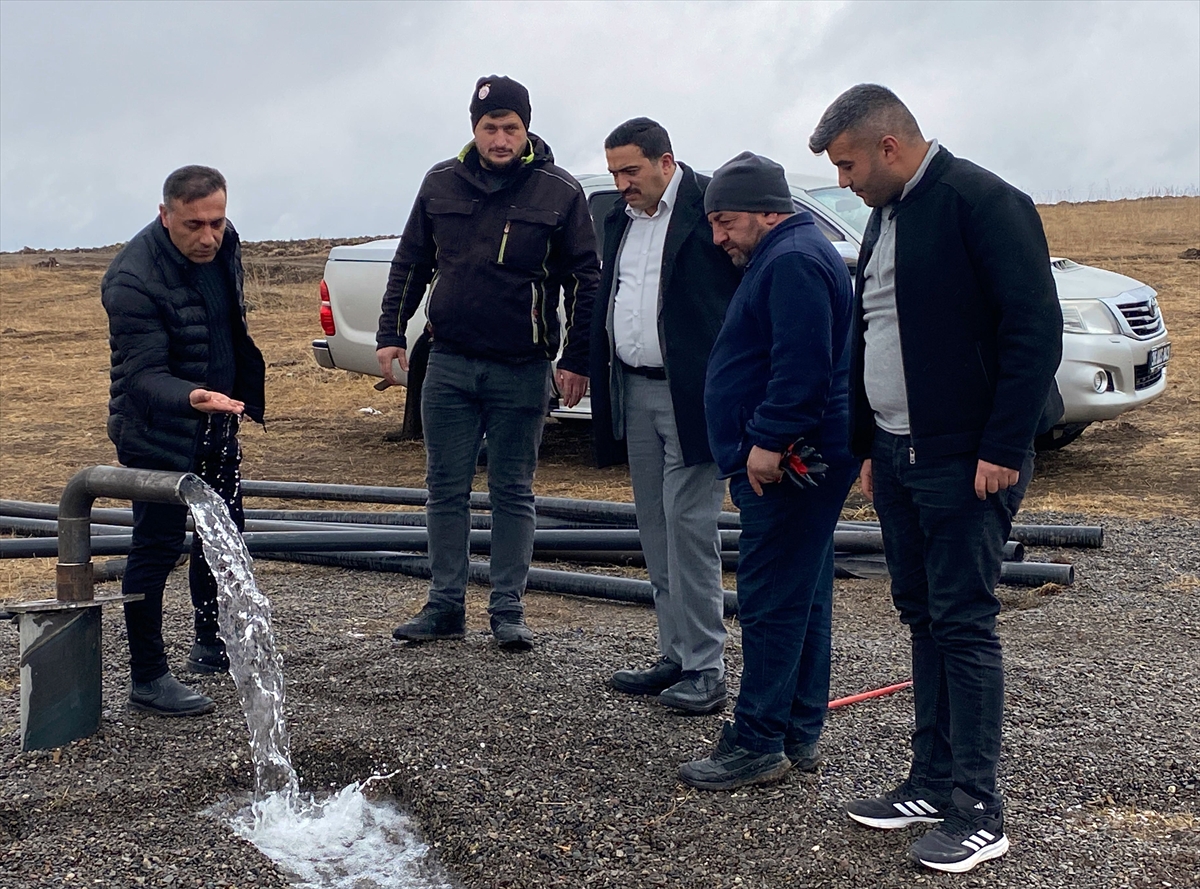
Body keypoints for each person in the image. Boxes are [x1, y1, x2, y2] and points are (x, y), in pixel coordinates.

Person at [808, 84, 1063, 873]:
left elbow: (1034, 330)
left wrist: (1003, 444)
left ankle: (979, 808)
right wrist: (865, 449)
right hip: (898, 454)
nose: (842, 182)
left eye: (847, 165)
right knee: (921, 614)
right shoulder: (885, 216)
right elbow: (873, 334)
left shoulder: (985, 202)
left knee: (963, 620)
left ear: (889, 146)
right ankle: (930, 779)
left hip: (965, 459)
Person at [377, 76, 599, 651]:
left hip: (521, 368)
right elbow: (410, 262)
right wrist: (389, 334)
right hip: (447, 363)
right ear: (472, 129)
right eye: (489, 127)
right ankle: (445, 604)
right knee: (443, 488)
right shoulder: (439, 183)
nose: (499, 138)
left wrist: (575, 357)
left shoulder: (559, 191)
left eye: (510, 127)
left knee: (512, 491)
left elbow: (586, 280)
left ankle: (507, 610)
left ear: (526, 129)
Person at [678, 152, 856, 790]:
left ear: (766, 211)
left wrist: (767, 442)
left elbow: (801, 367)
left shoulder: (792, 262)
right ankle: (797, 731)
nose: (719, 237)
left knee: (771, 600)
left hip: (791, 461)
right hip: (800, 456)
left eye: (726, 222)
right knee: (803, 595)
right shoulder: (790, 256)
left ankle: (756, 741)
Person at [102, 165, 266, 716]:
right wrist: (194, 397)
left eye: (216, 222)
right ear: (164, 214)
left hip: (217, 421)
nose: (208, 237)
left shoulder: (224, 246)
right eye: (193, 225)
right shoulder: (131, 280)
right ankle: (147, 677)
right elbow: (143, 375)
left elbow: (225, 327)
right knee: (156, 548)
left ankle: (211, 642)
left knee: (223, 535)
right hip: (157, 429)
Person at [590, 118, 741, 714]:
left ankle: (707, 666)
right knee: (654, 525)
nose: (622, 183)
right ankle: (674, 652)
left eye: (631, 171)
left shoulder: (711, 209)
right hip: (635, 390)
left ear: (666, 163)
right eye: (615, 174)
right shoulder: (617, 221)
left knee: (689, 526)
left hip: (693, 396)